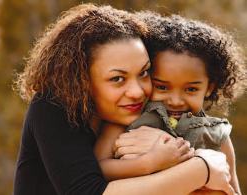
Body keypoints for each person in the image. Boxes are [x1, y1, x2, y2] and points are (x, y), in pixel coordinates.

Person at [13, 4, 234, 195]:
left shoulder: (148, 116)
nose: (137, 91)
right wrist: (202, 168)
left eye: (144, 72)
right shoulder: (52, 107)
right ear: (81, 81)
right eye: (118, 78)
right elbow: (85, 191)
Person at [94, 13, 247, 194]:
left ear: (209, 87)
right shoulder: (126, 122)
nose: (175, 101)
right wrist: (151, 162)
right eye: (162, 87)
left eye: (190, 89)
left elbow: (233, 189)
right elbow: (98, 169)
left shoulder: (217, 134)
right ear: (147, 77)